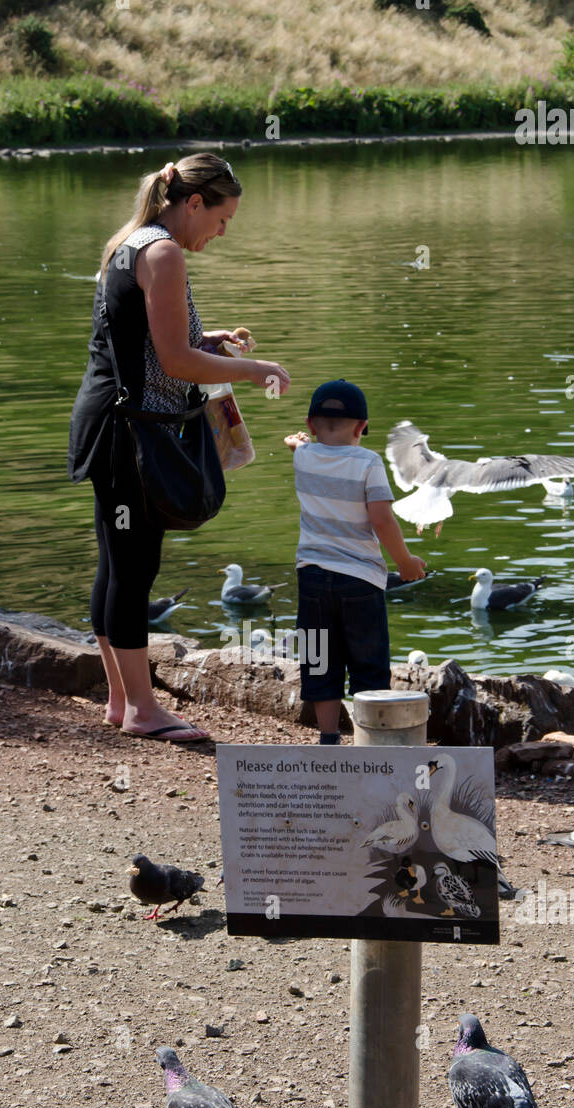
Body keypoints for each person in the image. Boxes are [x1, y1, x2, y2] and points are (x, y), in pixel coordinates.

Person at [68, 154, 290, 741]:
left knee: (117, 563)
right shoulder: (163, 252)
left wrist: (206, 338)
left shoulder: (132, 240)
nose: (222, 232)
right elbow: (172, 361)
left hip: (108, 421)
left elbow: (141, 338)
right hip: (131, 432)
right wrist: (254, 369)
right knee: (135, 567)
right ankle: (142, 709)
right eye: (222, 219)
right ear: (194, 203)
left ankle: (121, 700)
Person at [284, 379, 426, 744]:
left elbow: (300, 446)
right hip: (360, 580)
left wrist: (297, 441)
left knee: (318, 658)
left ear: (311, 424)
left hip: (312, 578)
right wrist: (406, 562)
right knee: (369, 663)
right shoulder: (368, 462)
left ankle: (329, 738)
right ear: (362, 427)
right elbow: (381, 519)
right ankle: (371, 743)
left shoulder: (304, 456)